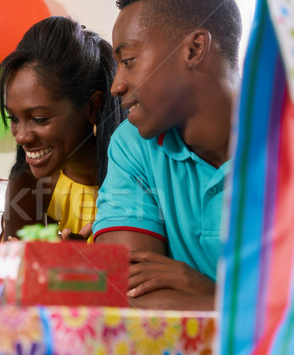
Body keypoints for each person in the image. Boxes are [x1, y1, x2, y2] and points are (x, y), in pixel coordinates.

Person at [93, 0, 242, 310]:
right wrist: (245, 308)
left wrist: (211, 292)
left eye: (129, 60)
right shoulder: (132, 144)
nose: (116, 85)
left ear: (194, 49)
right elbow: (125, 298)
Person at [0, 16, 126, 242]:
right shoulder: (29, 182)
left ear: (92, 107)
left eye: (39, 118)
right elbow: (15, 269)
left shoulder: (134, 175)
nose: (22, 136)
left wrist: (82, 264)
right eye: (13, 117)